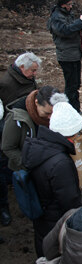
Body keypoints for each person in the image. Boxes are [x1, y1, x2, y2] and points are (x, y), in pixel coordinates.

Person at [21, 101, 82, 257]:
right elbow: (69, 201)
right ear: (71, 133)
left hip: (41, 210)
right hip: (55, 218)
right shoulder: (61, 163)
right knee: (53, 252)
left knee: (42, 241)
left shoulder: (39, 146)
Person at [0, 52, 41, 226]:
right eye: (32, 70)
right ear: (22, 67)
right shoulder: (6, 84)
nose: (35, 74)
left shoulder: (25, 78)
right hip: (13, 127)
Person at [1, 86, 65, 171]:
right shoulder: (16, 119)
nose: (50, 117)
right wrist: (27, 164)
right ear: (36, 102)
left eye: (54, 113)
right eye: (47, 113)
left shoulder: (55, 110)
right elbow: (8, 148)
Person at [48, 0, 82, 118]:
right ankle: (72, 112)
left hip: (74, 54)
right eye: (69, 4)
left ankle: (75, 110)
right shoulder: (56, 17)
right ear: (63, 4)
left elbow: (73, 29)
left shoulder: (67, 14)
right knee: (71, 85)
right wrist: (79, 23)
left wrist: (80, 24)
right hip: (66, 56)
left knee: (76, 84)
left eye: (72, 4)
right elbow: (64, 31)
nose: (71, 7)